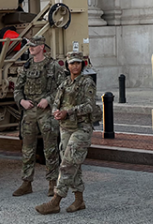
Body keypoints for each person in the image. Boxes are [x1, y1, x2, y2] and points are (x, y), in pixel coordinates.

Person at [36, 52, 98, 215]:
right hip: (66, 128)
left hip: (82, 128)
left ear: (82, 65)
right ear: (68, 65)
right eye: (72, 63)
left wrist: (68, 111)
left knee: (67, 164)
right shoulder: (64, 84)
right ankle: (79, 201)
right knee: (73, 164)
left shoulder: (87, 82)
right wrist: (56, 112)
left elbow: (89, 106)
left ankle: (56, 201)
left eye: (78, 63)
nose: (75, 66)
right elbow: (56, 103)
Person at [12, 35, 65, 198]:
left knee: (50, 149)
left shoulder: (53, 66)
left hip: (46, 113)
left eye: (34, 45)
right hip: (29, 112)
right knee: (27, 150)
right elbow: (17, 89)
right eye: (29, 45)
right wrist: (22, 102)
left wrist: (48, 100)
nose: (31, 48)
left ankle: (52, 183)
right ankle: (26, 182)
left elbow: (62, 88)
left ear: (42, 47)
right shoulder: (25, 67)